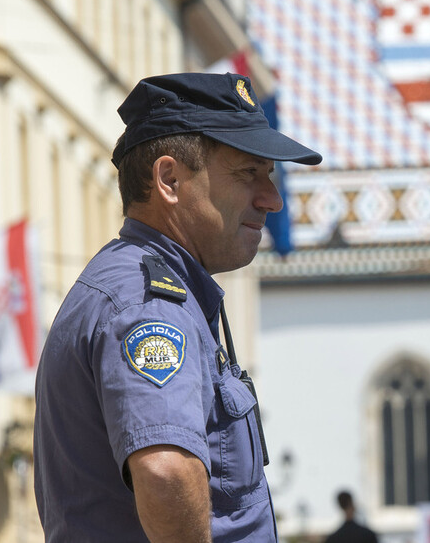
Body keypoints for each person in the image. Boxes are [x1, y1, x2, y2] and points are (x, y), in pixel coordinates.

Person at [33, 73, 322, 542]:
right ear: (169, 179)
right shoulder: (149, 303)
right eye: (249, 173)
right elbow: (166, 472)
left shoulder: (157, 289)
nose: (272, 199)